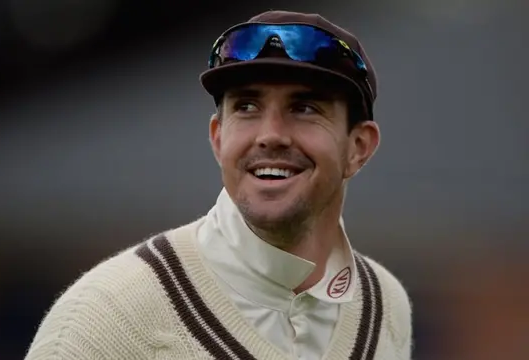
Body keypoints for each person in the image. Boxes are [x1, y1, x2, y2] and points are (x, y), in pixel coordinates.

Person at [24, 10, 413, 360]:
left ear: (359, 147)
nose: (270, 135)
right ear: (217, 137)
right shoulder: (106, 319)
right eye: (246, 107)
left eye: (304, 108)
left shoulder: (385, 306)